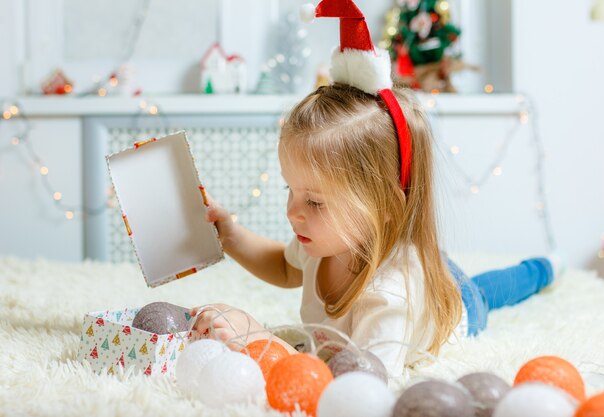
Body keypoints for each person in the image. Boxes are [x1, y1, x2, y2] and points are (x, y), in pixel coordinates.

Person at [190, 0, 556, 381]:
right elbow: (285, 266)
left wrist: (262, 341)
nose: (292, 212)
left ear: (383, 206)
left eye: (314, 201)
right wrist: (230, 236)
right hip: (398, 250)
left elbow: (365, 382)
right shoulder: (325, 241)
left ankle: (545, 268)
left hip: (452, 298)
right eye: (291, 189)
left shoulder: (388, 295)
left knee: (486, 292)